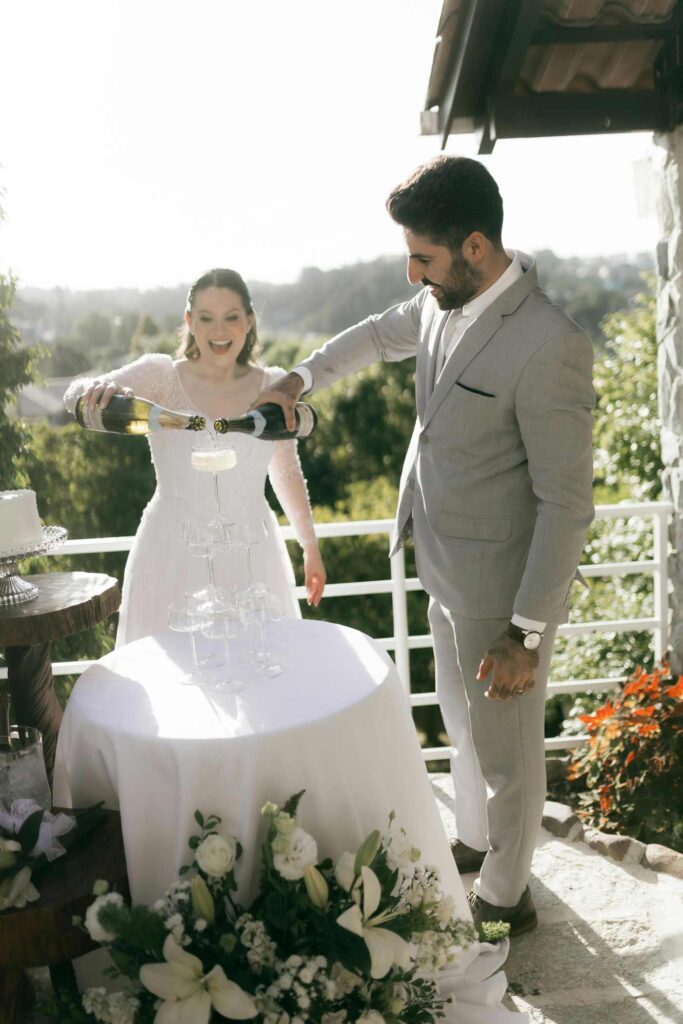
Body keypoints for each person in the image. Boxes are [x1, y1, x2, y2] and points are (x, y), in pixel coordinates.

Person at [251, 156, 595, 936]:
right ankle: (475, 840)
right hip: (439, 558)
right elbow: (373, 337)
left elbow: (566, 505)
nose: (412, 274)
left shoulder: (550, 345)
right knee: (462, 722)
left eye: (423, 257)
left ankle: (508, 895)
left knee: (508, 751)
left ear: (475, 246)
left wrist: (525, 634)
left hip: (501, 591)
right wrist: (298, 380)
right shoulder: (444, 302)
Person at [64, 267, 326, 647]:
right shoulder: (159, 375)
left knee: (258, 673)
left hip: (252, 553)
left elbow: (285, 472)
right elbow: (73, 396)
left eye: (231, 317)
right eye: (206, 318)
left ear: (249, 321)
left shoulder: (274, 384)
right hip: (172, 550)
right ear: (189, 320)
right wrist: (97, 388)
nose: (219, 331)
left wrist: (310, 547)